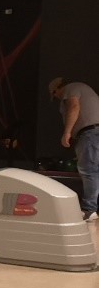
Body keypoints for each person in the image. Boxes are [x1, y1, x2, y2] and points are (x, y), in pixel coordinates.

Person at [50, 76, 99, 220]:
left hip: (90, 133)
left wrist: (67, 132)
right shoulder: (84, 89)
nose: (58, 98)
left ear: (57, 88)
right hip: (93, 134)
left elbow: (74, 107)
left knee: (89, 170)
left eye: (54, 94)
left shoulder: (71, 88)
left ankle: (89, 209)